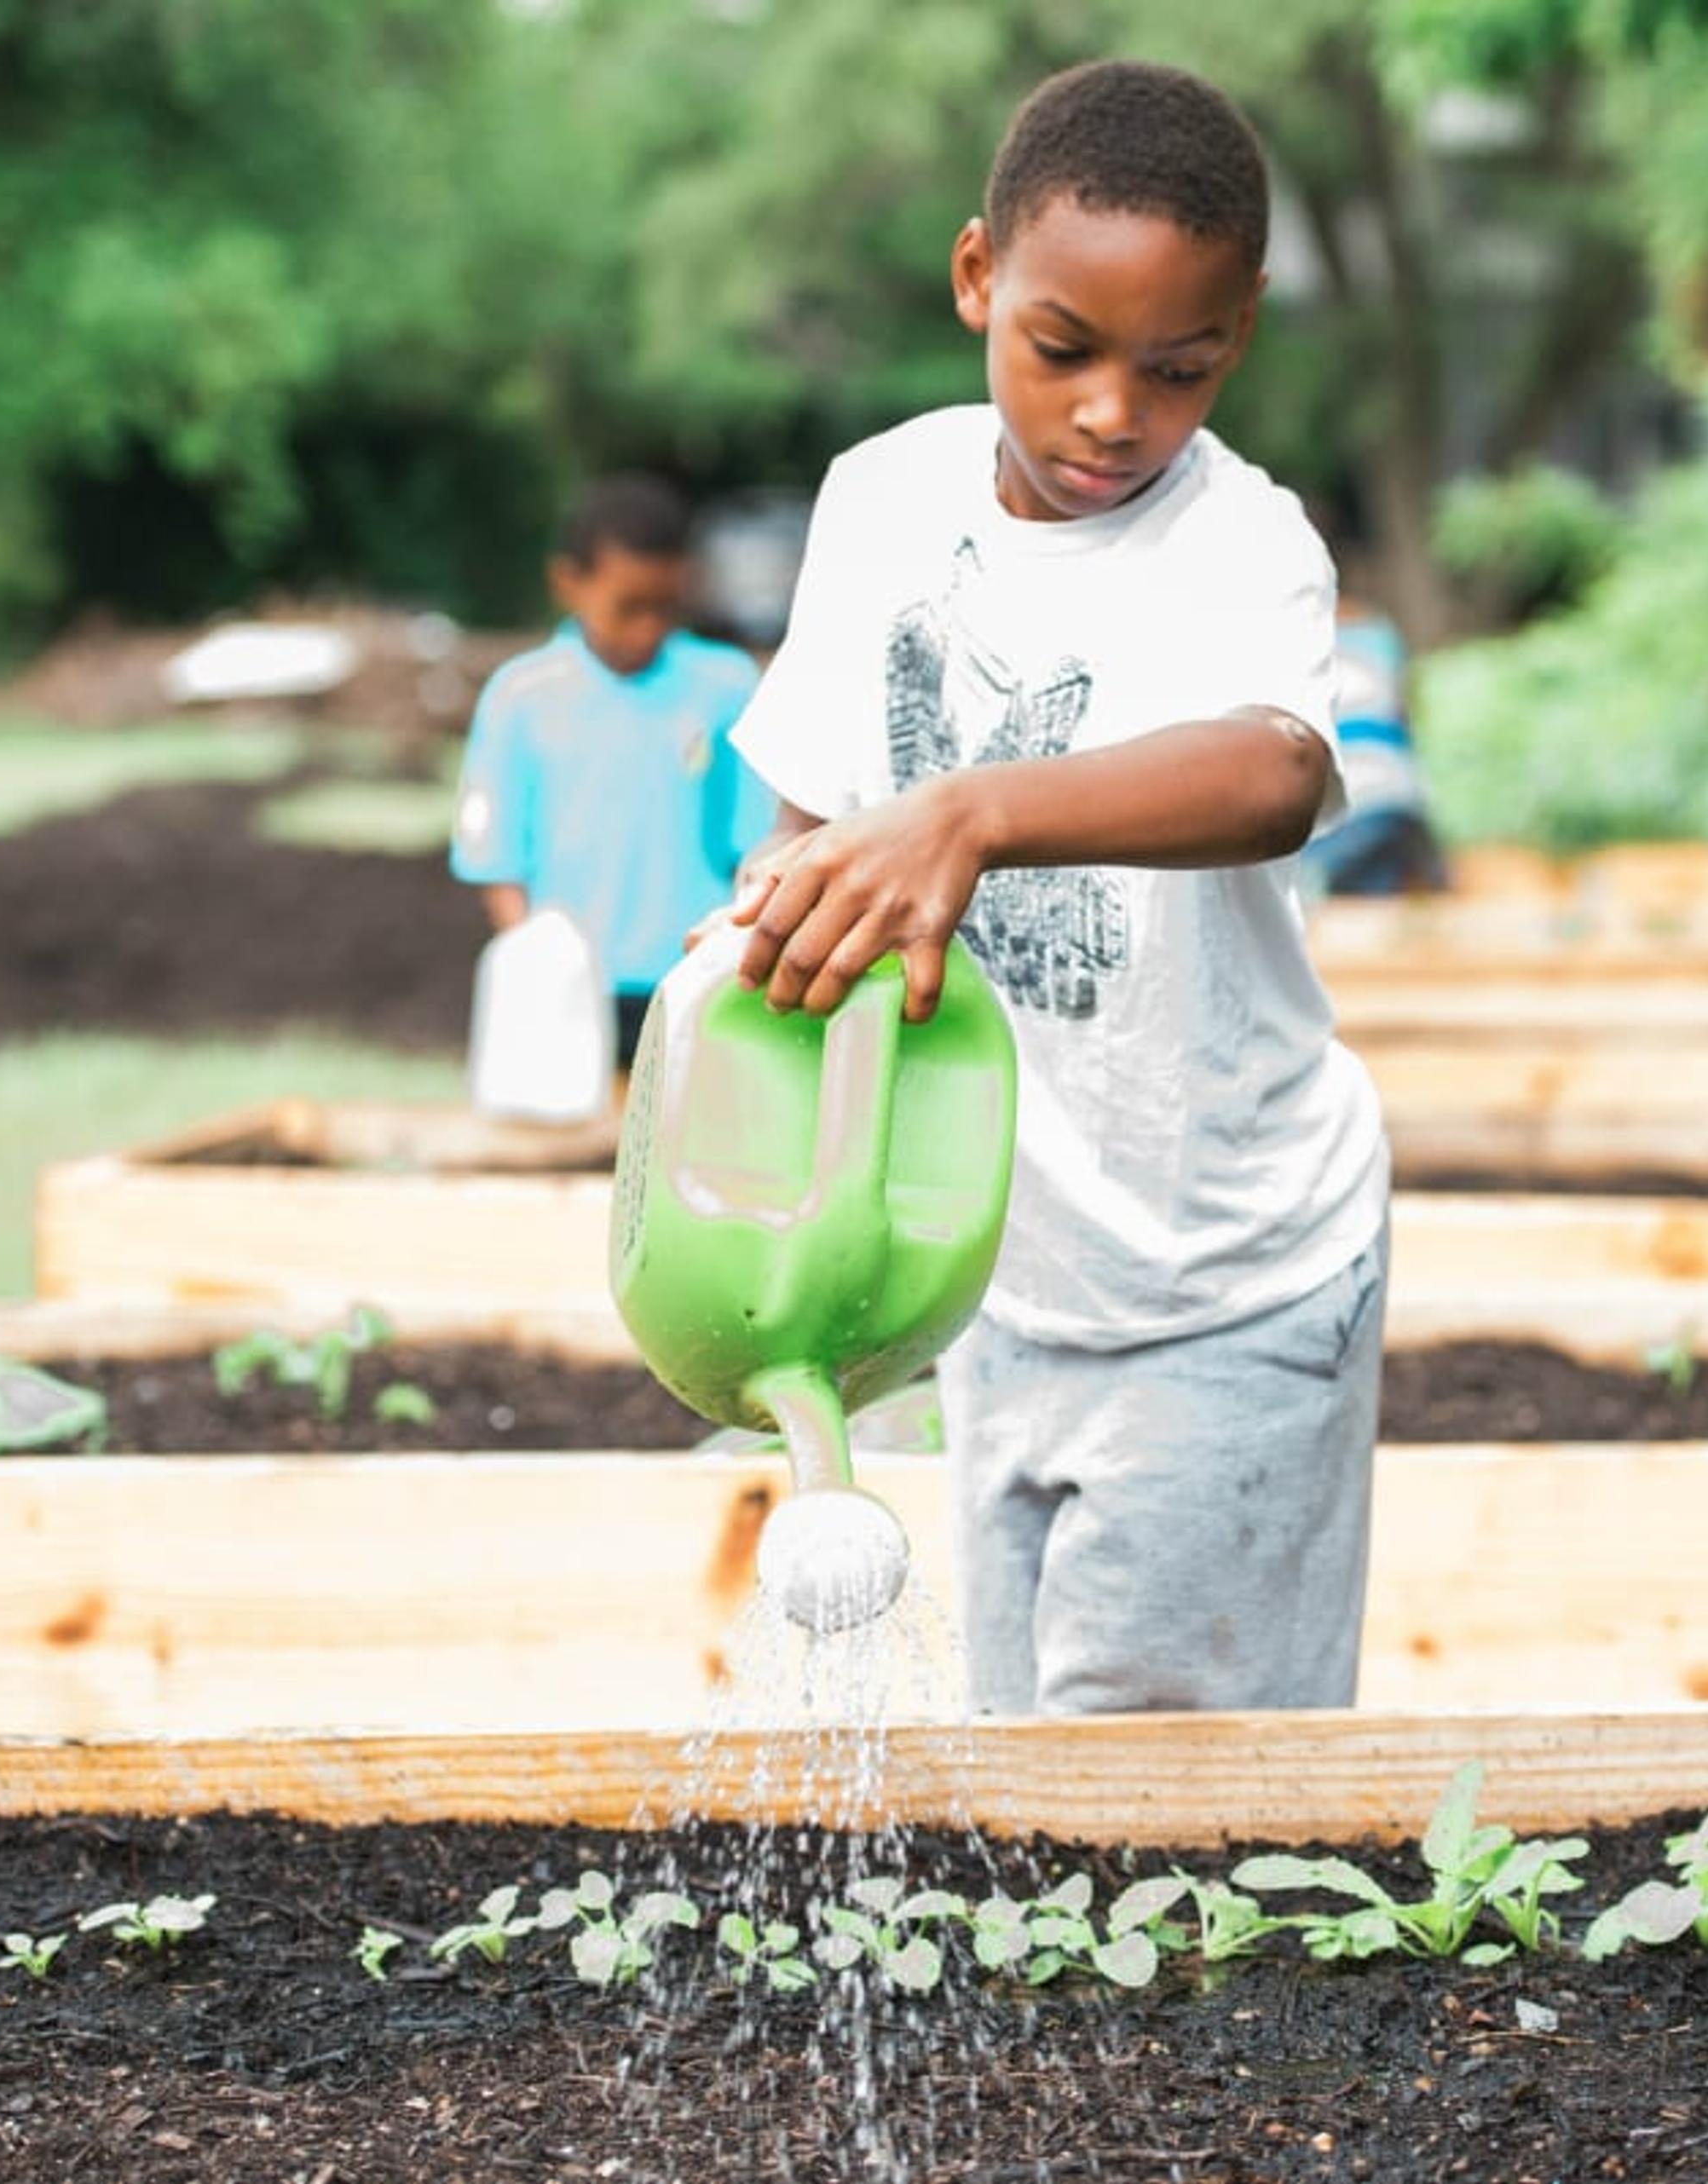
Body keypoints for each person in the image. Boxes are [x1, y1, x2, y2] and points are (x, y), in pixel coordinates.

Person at [722, 58, 1390, 1718]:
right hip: (1003, 1270)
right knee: (1028, 1787)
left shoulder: (1244, 547)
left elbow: (1274, 774)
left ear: (1234, 339)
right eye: (1064, 350)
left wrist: (973, 816)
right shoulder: (881, 502)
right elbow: (803, 834)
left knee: (1154, 1799)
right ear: (976, 279)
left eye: (1179, 367)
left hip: (1223, 1277)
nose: (1115, 413)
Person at [450, 474, 770, 1063]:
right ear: (568, 583)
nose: (648, 627)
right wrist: (538, 967)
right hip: (568, 985)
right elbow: (497, 858)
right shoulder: (520, 695)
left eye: (665, 607)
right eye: (629, 608)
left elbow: (757, 842)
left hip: (693, 979)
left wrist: (730, 962)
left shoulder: (725, 687)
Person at [1302, 578, 1451, 896]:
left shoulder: (1297, 636)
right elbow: (1404, 713)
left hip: (1343, 813)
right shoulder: (1377, 631)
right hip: (1396, 799)